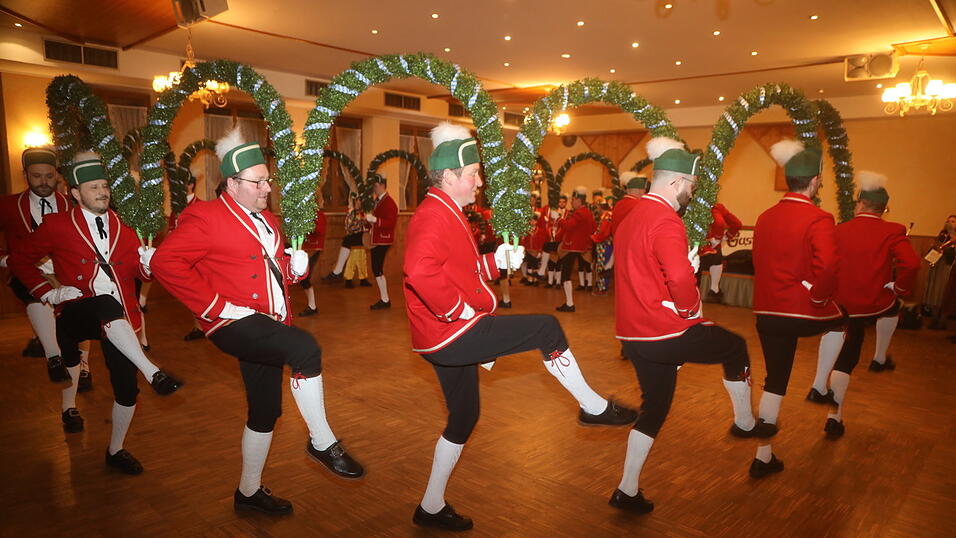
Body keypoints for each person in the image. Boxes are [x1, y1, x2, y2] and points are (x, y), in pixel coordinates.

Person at [405, 123, 637, 531]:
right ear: (450, 176)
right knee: (546, 328)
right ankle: (593, 407)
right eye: (473, 173)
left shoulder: (447, 210)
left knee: (464, 418)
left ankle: (431, 506)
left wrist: (495, 262)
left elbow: (460, 269)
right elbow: (418, 272)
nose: (479, 181)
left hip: (442, 335)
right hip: (452, 333)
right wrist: (456, 310)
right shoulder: (432, 215)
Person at [150, 128, 364, 514]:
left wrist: (293, 268)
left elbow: (266, 269)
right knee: (305, 349)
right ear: (231, 183)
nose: (267, 187)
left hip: (269, 322)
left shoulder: (267, 220)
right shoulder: (205, 216)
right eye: (258, 181)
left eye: (268, 179)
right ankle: (322, 442)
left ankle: (248, 493)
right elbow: (165, 263)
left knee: (265, 413)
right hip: (232, 323)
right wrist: (214, 306)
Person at [610, 137, 769, 513]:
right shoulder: (665, 218)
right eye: (691, 187)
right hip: (665, 330)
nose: (691, 194)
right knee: (735, 347)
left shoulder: (631, 216)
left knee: (656, 407)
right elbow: (680, 278)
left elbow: (646, 270)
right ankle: (744, 422)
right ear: (676, 182)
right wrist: (688, 309)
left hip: (633, 333)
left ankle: (627, 489)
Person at [9, 151, 181, 469]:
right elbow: (19, 259)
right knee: (104, 304)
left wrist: (147, 265)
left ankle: (115, 450)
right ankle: (152, 370)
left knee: (127, 390)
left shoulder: (125, 226)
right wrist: (48, 291)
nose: (102, 192)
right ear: (75, 193)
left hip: (120, 320)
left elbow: (138, 275)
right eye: (93, 187)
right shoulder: (57, 224)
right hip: (77, 311)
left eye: (104, 186)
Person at [750, 139, 847, 477]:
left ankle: (763, 456)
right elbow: (829, 268)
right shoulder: (819, 217)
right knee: (843, 320)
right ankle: (820, 385)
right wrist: (819, 298)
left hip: (766, 311)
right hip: (800, 310)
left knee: (774, 381)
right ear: (815, 181)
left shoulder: (764, 216)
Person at [806, 172, 919, 439]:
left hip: (841, 304)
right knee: (893, 305)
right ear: (884, 209)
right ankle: (879, 357)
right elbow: (912, 265)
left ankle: (834, 415)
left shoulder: (838, 229)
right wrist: (899, 287)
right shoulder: (893, 230)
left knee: (843, 358)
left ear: (860, 204)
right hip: (873, 303)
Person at [0, 147, 87, 385]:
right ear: (25, 174)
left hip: (66, 272)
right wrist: (5, 259)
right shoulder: (7, 206)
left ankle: (81, 364)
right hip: (26, 273)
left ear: (57, 175)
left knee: (82, 304)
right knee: (36, 294)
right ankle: (53, 357)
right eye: (36, 175)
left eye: (49, 176)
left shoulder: (71, 205)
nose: (43, 182)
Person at [555, 187, 595, 312]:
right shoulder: (587, 212)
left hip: (572, 246)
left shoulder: (579, 212)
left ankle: (569, 303)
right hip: (581, 246)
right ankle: (569, 302)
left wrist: (559, 219)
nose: (572, 202)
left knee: (566, 274)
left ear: (579, 200)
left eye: (573, 200)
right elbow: (593, 227)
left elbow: (568, 226)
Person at [366, 173, 398, 309]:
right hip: (376, 239)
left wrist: (375, 220)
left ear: (383, 185)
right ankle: (384, 299)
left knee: (377, 268)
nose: (375, 189)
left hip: (383, 240)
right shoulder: (377, 200)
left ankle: (385, 300)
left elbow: (390, 222)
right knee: (376, 268)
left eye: (377, 186)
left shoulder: (389, 202)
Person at [701, 203, 742, 303]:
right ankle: (714, 289)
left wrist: (718, 238)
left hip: (700, 249)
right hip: (714, 252)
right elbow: (736, 224)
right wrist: (725, 237)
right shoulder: (718, 207)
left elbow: (720, 224)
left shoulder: (692, 205)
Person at [924, 214, 955, 329]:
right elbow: (933, 249)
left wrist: (945, 249)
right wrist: (934, 247)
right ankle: (934, 318)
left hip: (948, 269)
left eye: (953, 221)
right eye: (948, 221)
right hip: (937, 266)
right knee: (934, 293)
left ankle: (943, 321)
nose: (950, 223)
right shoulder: (942, 235)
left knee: (944, 294)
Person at [298, 205, 327, 316]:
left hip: (315, 248)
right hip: (306, 248)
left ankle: (312, 306)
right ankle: (312, 306)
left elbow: (320, 230)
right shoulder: (306, 212)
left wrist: (305, 226)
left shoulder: (319, 214)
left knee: (306, 276)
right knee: (304, 277)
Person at [342, 193, 371, 288]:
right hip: (353, 239)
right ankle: (348, 280)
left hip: (361, 239)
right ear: (355, 201)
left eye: (361, 201)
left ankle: (363, 279)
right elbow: (348, 227)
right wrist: (360, 223)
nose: (360, 203)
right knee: (352, 259)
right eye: (358, 201)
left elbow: (366, 225)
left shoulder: (362, 213)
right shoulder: (352, 212)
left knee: (362, 259)